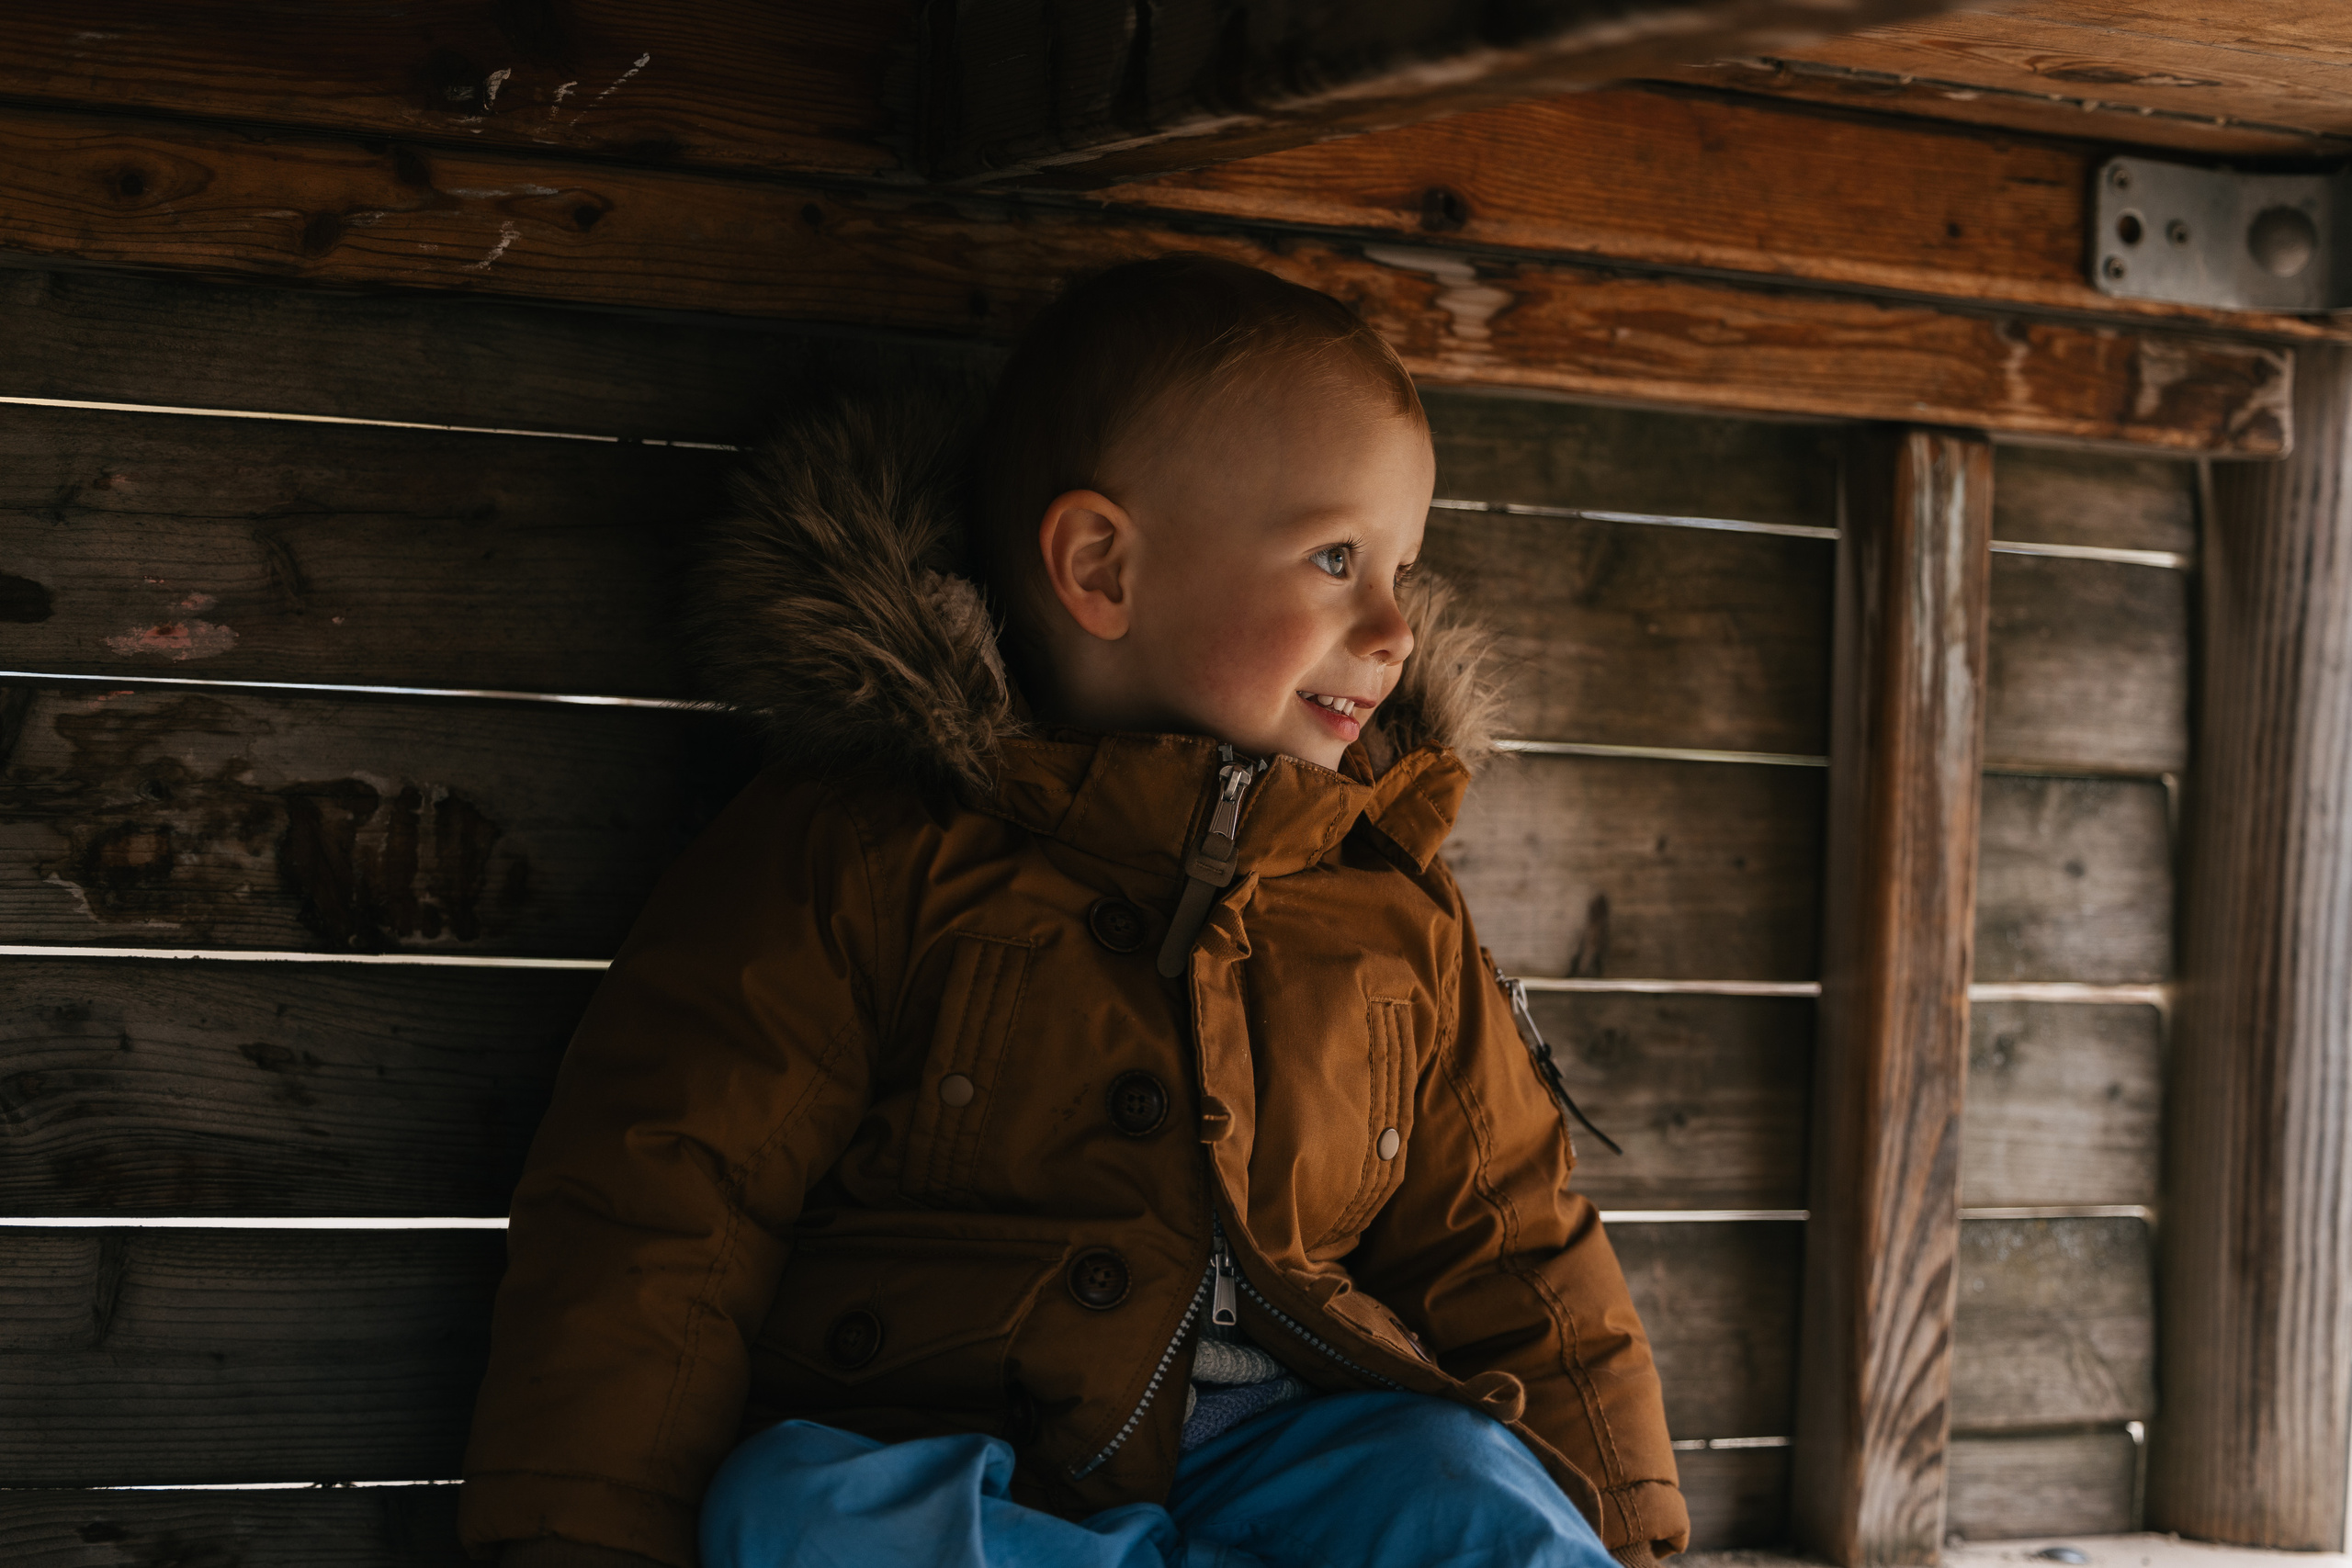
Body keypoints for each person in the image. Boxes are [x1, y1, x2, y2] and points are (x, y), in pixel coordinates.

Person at [458, 254, 1688, 1568]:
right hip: (969, 1463)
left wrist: (1626, 1544)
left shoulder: (1390, 900)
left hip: (1289, 1452)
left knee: (1462, 1482)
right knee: (797, 1509)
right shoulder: (863, 851)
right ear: (1100, 565)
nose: (1394, 626)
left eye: (1405, 564)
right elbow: (664, 1202)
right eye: (1338, 558)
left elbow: (1516, 1252)